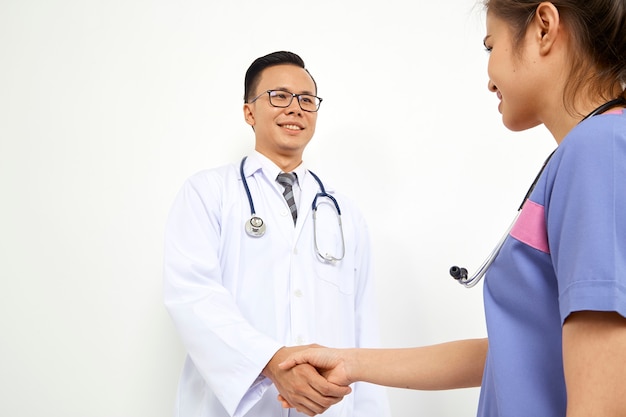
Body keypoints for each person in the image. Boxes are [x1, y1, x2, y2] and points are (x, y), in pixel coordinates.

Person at [278, 2, 626, 416]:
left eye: (490, 46)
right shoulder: (591, 152)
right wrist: (351, 362)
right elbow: (521, 354)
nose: (489, 78)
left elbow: (602, 399)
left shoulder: (598, 149)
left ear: (544, 29)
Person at [163, 51, 390, 417]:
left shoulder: (345, 213)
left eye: (306, 100)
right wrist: (269, 362)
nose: (295, 108)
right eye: (279, 96)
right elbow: (193, 298)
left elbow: (363, 327)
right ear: (249, 112)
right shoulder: (207, 194)